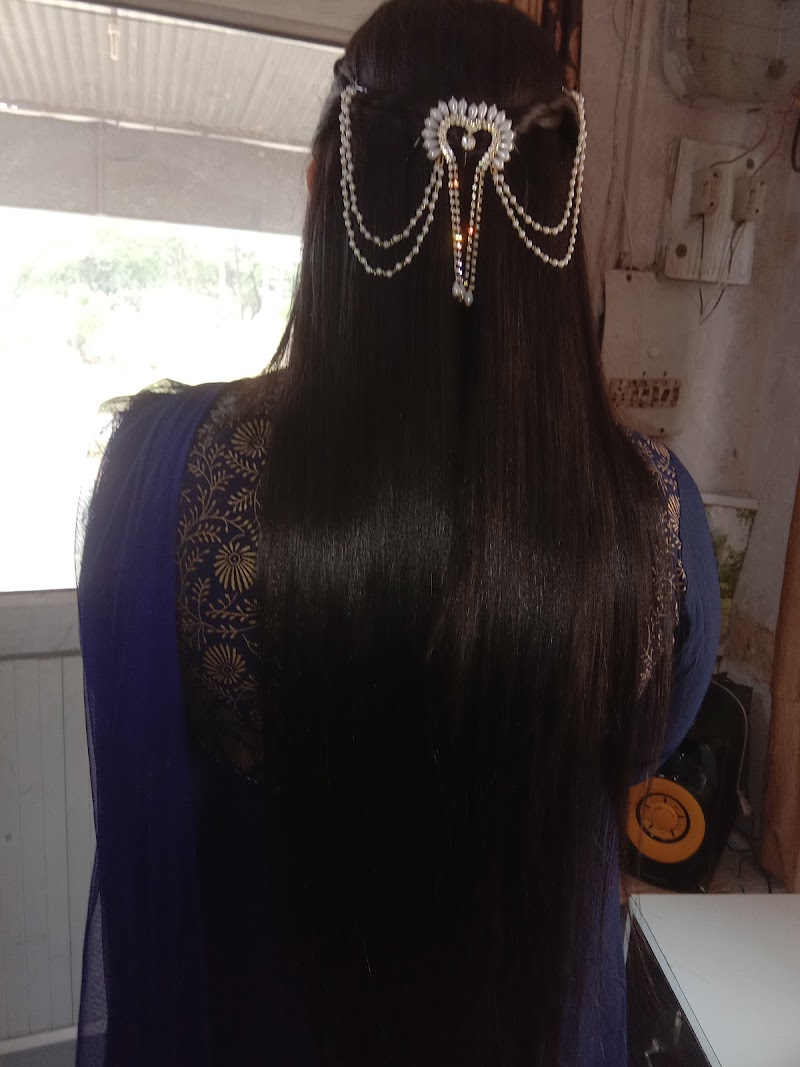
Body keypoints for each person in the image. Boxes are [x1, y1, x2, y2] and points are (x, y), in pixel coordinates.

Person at [75, 1, 720, 1064]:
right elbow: (639, 745)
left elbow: (151, 809)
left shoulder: (168, 475)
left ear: (321, 191)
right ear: (558, 223)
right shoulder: (651, 520)